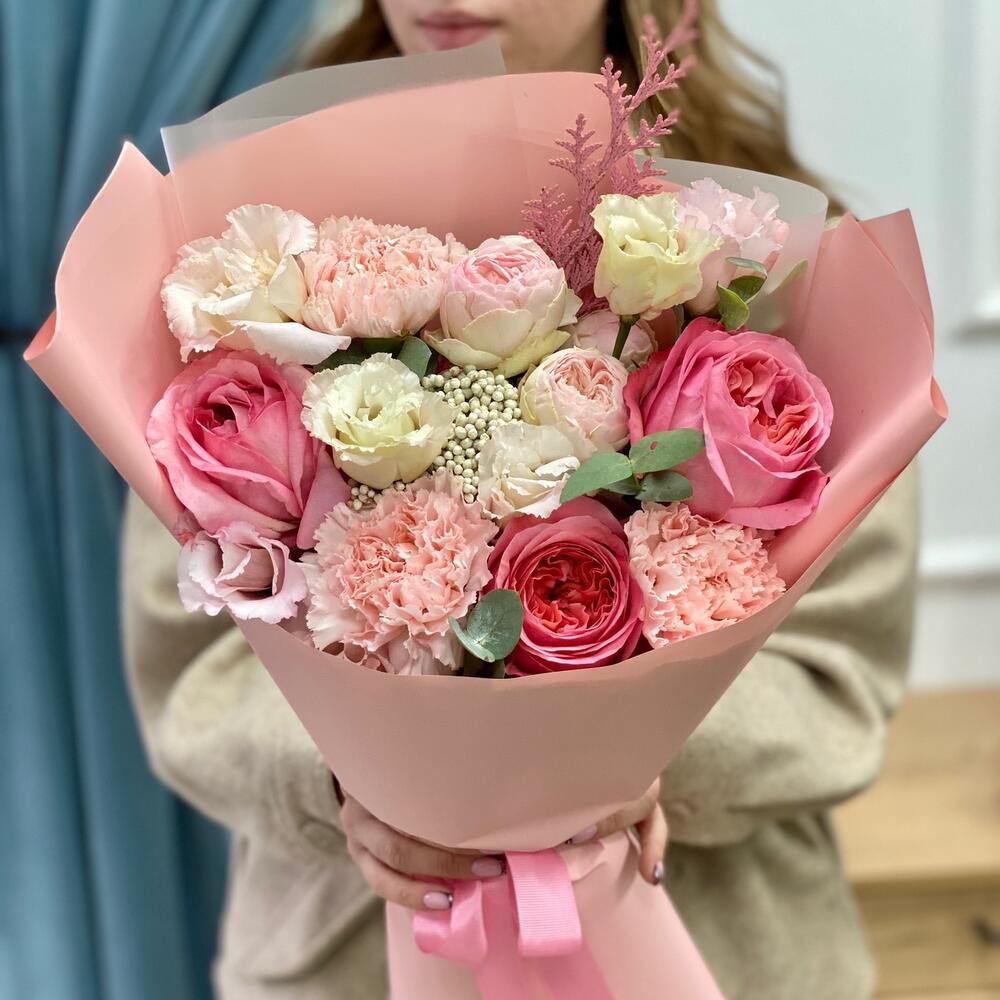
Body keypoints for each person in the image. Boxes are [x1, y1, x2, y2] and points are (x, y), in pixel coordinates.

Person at [121, 2, 919, 997]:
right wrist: (351, 778)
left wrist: (613, 761)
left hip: (721, 948)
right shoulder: (241, 252)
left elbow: (837, 683)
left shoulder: (772, 257)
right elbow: (191, 675)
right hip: (348, 961)